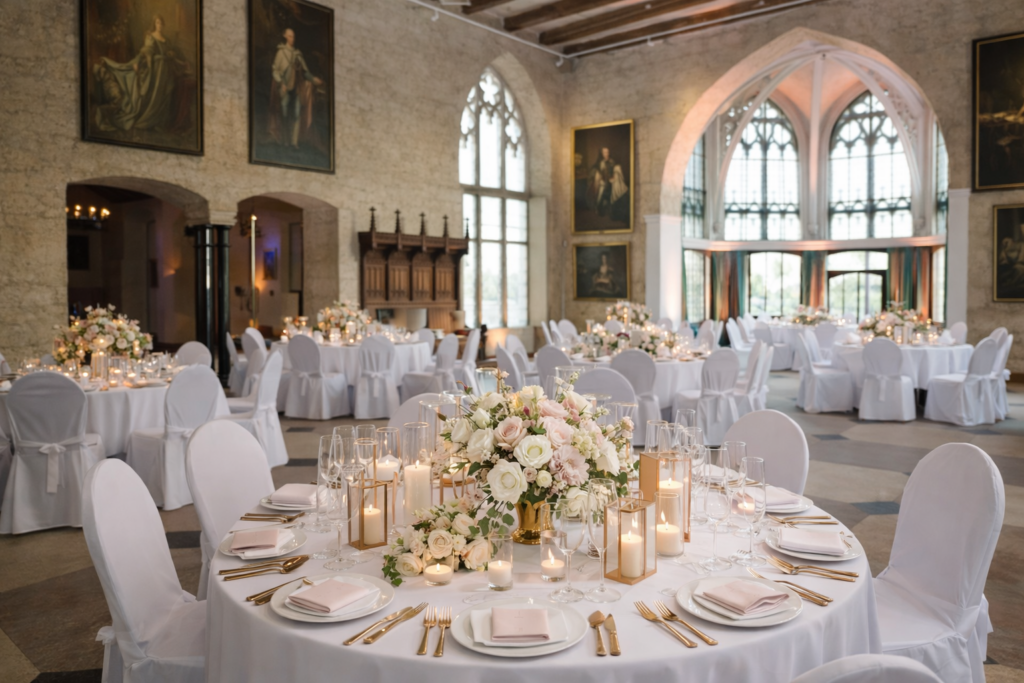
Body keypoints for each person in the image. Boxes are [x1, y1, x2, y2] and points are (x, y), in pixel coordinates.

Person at [92, 15, 188, 133]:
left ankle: (159, 122)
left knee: (165, 95)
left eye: (161, 23)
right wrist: (140, 63)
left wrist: (172, 55)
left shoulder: (166, 39)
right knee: (154, 96)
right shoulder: (151, 37)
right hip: (156, 70)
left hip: (166, 71)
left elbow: (169, 52)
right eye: (157, 23)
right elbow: (146, 53)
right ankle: (148, 121)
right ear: (154, 24)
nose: (160, 25)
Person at [270, 28, 324, 148]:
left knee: (296, 114)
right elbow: (275, 71)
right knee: (284, 114)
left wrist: (314, 79)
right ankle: (284, 140)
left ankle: (294, 142)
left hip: (297, 88)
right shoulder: (281, 53)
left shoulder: (298, 54)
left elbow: (305, 72)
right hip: (284, 87)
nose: (292, 39)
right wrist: (281, 83)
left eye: (293, 37)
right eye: (290, 36)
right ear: (285, 36)